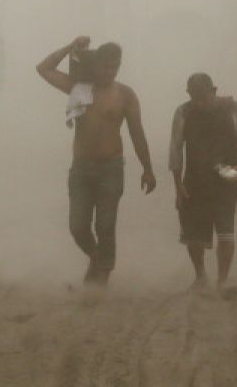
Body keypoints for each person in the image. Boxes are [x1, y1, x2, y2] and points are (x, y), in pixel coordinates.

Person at [36, 36, 156, 287]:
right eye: (106, 66)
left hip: (111, 168)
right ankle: (97, 257)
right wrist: (70, 47)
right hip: (81, 168)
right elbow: (43, 68)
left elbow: (137, 132)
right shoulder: (79, 88)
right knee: (78, 227)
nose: (111, 71)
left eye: (116, 66)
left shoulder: (125, 95)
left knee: (105, 224)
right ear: (96, 65)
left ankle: (102, 277)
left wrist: (147, 168)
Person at [169, 72, 237, 297]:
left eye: (203, 98)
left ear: (213, 91)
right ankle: (200, 276)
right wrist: (178, 185)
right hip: (194, 179)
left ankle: (223, 280)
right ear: (189, 95)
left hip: (224, 176)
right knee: (193, 233)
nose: (200, 103)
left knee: (226, 229)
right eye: (195, 98)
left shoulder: (232, 108)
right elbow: (175, 149)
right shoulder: (183, 112)